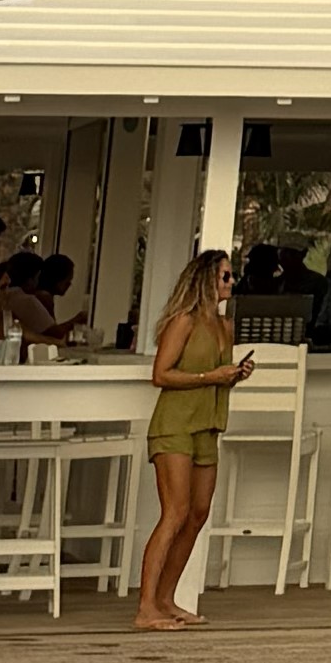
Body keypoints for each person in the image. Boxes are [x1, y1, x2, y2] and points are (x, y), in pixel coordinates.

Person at [133, 246, 239, 631]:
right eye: (225, 276)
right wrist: (208, 378)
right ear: (206, 280)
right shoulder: (184, 321)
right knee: (174, 512)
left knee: (197, 514)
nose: (231, 282)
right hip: (176, 423)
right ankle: (146, 607)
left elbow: (213, 372)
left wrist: (232, 374)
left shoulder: (224, 326)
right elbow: (161, 374)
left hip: (208, 424)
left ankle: (166, 598)